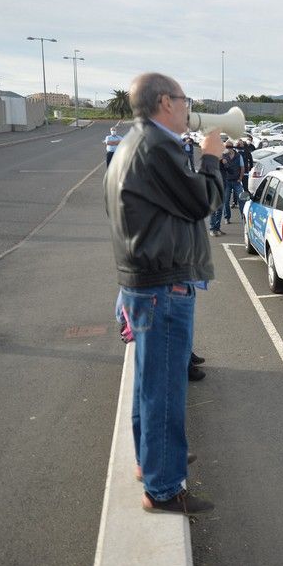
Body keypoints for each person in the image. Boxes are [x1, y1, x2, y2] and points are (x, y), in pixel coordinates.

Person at [103, 72, 222, 515]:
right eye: (184, 98)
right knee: (166, 390)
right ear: (165, 103)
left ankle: (152, 461)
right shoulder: (158, 146)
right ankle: (165, 487)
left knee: (150, 386)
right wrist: (210, 158)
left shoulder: (134, 144)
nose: (188, 105)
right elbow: (201, 202)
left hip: (144, 284)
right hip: (162, 288)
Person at [215, 141, 244, 229]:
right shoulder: (222, 156)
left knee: (241, 199)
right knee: (226, 200)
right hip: (226, 181)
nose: (228, 149)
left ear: (232, 147)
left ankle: (243, 217)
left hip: (236, 181)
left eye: (229, 147)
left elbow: (242, 167)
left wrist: (240, 178)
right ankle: (227, 217)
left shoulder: (239, 156)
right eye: (226, 147)